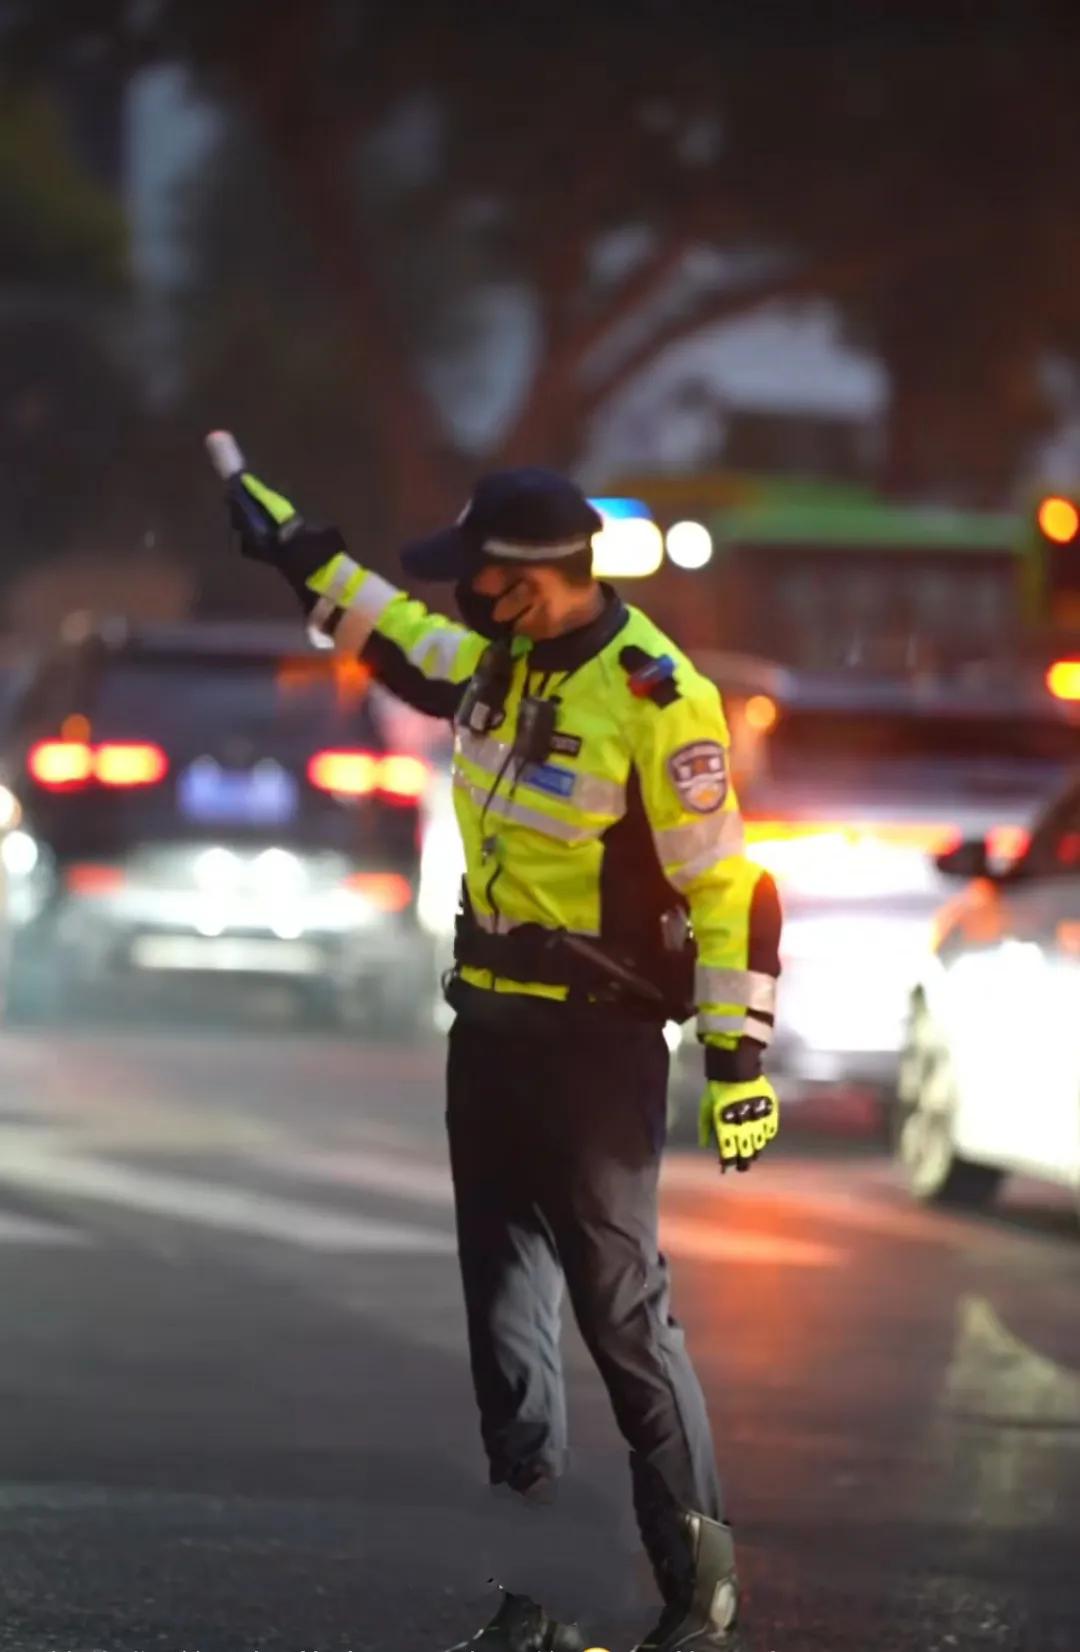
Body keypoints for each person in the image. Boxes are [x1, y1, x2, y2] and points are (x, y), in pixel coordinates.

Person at [225, 460, 782, 1652]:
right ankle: (532, 1593)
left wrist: (737, 1059)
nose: (467, 595)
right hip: (489, 1024)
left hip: (596, 1042)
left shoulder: (655, 694)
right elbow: (399, 629)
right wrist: (298, 547)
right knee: (505, 1315)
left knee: (619, 1307)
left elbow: (727, 880)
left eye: (482, 574)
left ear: (535, 579)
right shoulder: (499, 660)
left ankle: (699, 1582)